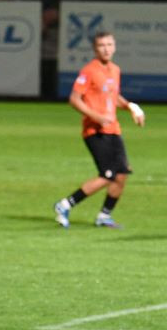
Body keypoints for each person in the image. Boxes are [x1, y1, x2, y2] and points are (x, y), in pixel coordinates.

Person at [54, 31, 145, 230]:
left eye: (109, 44)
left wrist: (131, 107)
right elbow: (74, 99)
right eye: (102, 45)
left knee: (121, 174)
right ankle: (64, 205)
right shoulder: (89, 71)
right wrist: (97, 117)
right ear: (95, 49)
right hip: (95, 131)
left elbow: (114, 96)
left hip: (114, 130)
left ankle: (104, 216)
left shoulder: (115, 70)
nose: (106, 49)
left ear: (114, 47)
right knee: (107, 175)